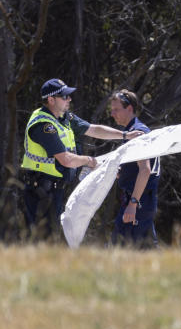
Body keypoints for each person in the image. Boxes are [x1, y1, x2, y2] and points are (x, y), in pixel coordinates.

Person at [21, 78, 142, 240]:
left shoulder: (64, 118)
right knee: (40, 239)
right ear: (51, 100)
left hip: (54, 190)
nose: (69, 99)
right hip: (40, 192)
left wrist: (125, 135)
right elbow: (65, 159)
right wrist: (88, 161)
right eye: (64, 97)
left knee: (51, 239)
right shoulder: (43, 125)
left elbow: (93, 129)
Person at [108, 89, 160, 248]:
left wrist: (133, 204)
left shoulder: (138, 133)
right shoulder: (130, 132)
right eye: (112, 110)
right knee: (133, 249)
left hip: (139, 201)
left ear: (129, 109)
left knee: (130, 249)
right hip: (136, 200)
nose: (112, 114)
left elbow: (145, 170)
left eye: (116, 110)